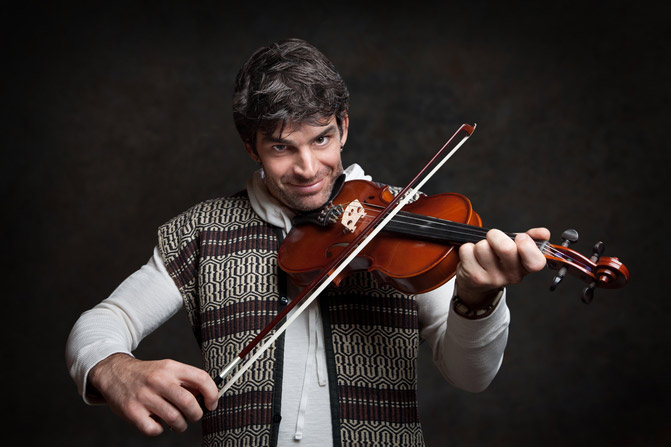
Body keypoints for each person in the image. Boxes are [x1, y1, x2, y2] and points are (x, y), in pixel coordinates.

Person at [66, 38, 549, 447]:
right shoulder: (202, 230)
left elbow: (472, 376)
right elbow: (103, 322)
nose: (307, 168)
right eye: (281, 147)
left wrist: (478, 299)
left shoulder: (407, 219)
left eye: (321, 139)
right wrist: (114, 368)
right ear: (251, 146)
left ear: (343, 127)